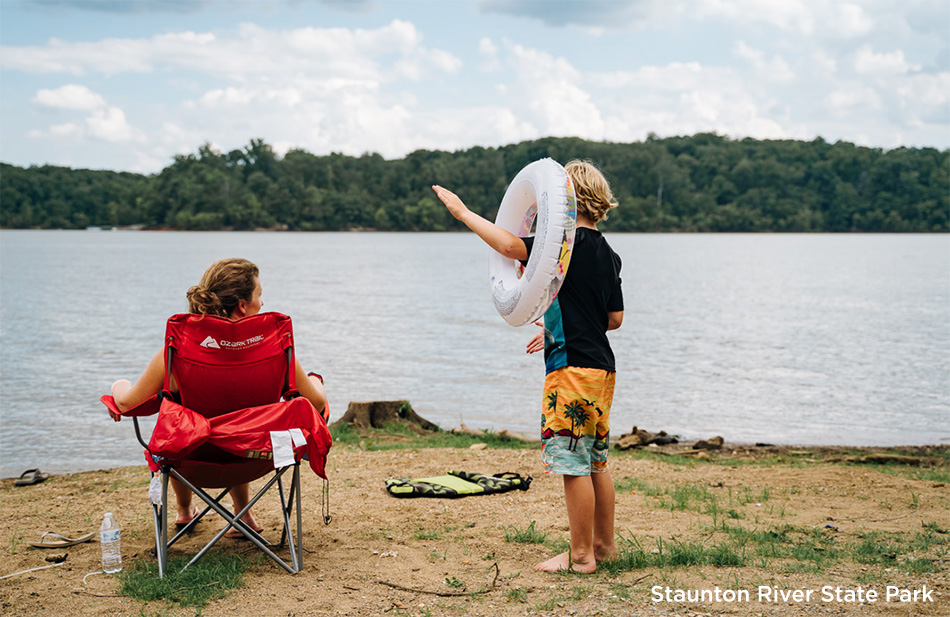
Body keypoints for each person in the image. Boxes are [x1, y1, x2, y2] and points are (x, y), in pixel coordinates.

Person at [433, 159, 623, 574]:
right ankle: (604, 547)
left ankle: (581, 557)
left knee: (571, 464)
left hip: (571, 371)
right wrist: (559, 326)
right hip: (601, 370)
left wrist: (463, 213)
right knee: (595, 461)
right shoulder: (609, 253)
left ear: (564, 200)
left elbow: (508, 246)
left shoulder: (563, 245)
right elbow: (613, 319)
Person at [108, 257, 328, 537]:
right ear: (242, 305)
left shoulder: (178, 352)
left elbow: (128, 403)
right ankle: (242, 512)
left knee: (177, 409)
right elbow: (317, 404)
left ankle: (185, 510)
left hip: (191, 460)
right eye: (259, 296)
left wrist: (118, 384)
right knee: (241, 422)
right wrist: (314, 380)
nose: (262, 303)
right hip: (257, 458)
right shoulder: (276, 350)